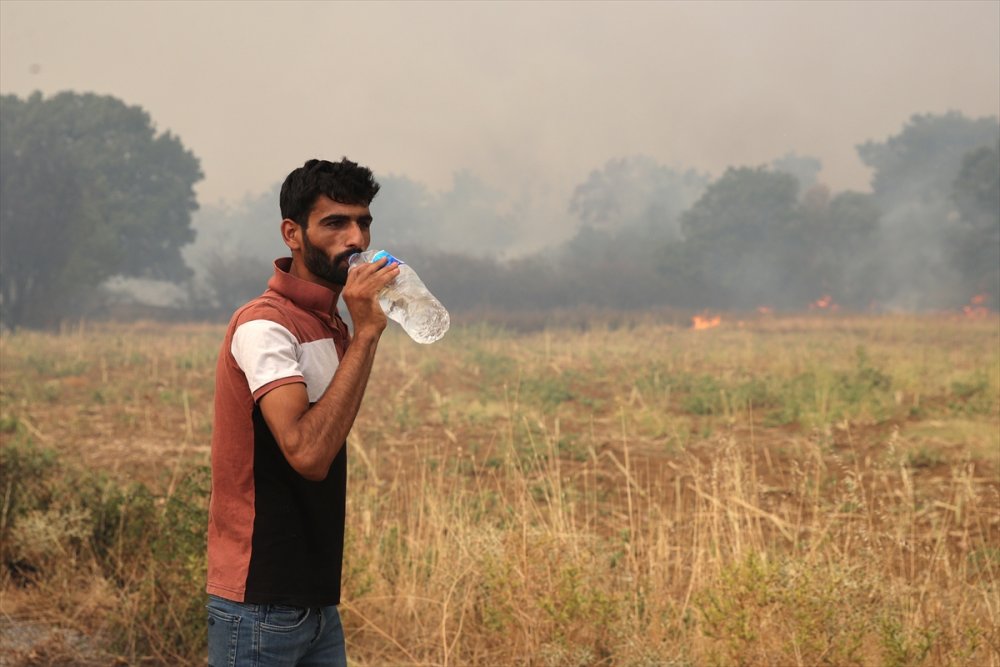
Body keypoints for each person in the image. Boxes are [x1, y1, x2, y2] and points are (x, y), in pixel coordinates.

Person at [206, 158, 399, 666]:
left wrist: (356, 332)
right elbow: (308, 452)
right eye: (335, 223)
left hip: (315, 602)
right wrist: (368, 335)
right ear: (293, 233)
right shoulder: (264, 326)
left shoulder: (329, 322)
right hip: (259, 602)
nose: (355, 238)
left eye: (363, 222)